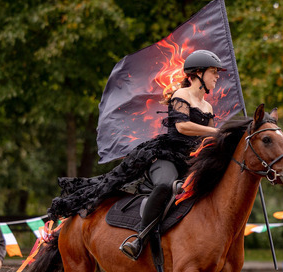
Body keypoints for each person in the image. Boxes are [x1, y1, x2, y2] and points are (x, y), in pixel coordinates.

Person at [48, 49, 224, 259]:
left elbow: (211, 139)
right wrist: (217, 131)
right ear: (197, 73)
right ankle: (140, 238)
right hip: (167, 156)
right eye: (213, 71)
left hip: (192, 161)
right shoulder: (181, 95)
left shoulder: (208, 106)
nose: (217, 76)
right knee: (164, 186)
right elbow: (183, 126)